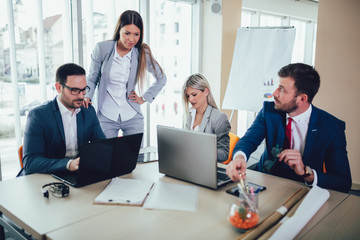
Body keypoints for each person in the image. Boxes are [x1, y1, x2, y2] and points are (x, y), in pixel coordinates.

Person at [226, 63, 352, 193]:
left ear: (302, 98)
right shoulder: (269, 111)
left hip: (301, 189)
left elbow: (343, 182)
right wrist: (239, 158)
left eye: (282, 90)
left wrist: (306, 172)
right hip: (264, 179)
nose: (274, 93)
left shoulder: (331, 127)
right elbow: (248, 140)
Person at [84, 10, 166, 138]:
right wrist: (87, 96)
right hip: (106, 115)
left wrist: (144, 98)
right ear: (119, 30)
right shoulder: (102, 49)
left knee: (136, 157)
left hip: (132, 114)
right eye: (127, 33)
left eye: (136, 34)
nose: (131, 39)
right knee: (106, 156)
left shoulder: (142, 52)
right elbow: (92, 78)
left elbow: (161, 78)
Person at [19, 63, 105, 176]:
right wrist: (68, 164)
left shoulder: (88, 111)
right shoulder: (38, 115)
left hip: (78, 174)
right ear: (59, 88)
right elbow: (30, 162)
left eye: (84, 90)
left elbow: (103, 146)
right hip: (47, 176)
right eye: (74, 90)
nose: (81, 96)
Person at [182, 73, 231, 162]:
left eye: (194, 94)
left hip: (207, 167)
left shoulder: (219, 118)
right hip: (190, 163)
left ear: (206, 92)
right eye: (188, 96)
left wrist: (201, 150)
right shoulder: (190, 114)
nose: (190, 99)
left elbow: (224, 154)